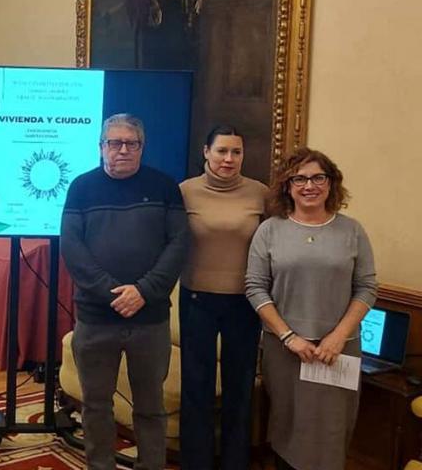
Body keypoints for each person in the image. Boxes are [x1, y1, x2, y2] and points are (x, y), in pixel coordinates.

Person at [61, 113, 189, 470]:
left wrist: (144, 291)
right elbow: (72, 248)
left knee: (150, 407)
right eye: (114, 143)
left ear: (141, 147)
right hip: (95, 319)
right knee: (96, 405)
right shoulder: (81, 187)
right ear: (101, 148)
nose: (122, 150)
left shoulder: (164, 187)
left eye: (131, 144)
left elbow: (179, 244)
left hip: (150, 320)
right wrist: (113, 293)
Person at [246, 147, 377, 470]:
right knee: (288, 427)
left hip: (338, 351)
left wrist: (337, 337)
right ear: (287, 186)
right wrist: (289, 336)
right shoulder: (270, 230)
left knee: (332, 431)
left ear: (331, 183)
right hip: (286, 350)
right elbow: (255, 287)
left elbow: (367, 288)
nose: (310, 186)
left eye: (319, 177)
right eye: (300, 179)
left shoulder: (352, 231)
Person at [178, 125, 267, 469]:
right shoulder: (185, 192)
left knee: (240, 387)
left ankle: (235, 462)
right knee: (196, 386)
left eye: (236, 152)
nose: (229, 159)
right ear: (206, 152)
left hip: (245, 304)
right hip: (197, 299)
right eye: (221, 151)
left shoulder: (261, 194)